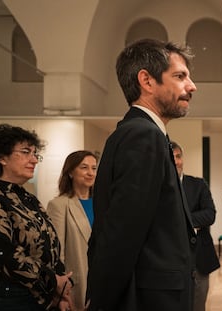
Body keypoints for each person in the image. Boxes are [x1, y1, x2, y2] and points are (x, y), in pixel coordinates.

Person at [85, 38, 198, 311]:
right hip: (151, 298)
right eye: (180, 76)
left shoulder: (145, 133)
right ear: (147, 81)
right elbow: (122, 232)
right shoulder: (142, 134)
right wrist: (101, 301)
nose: (192, 86)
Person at [0, 123, 74, 311]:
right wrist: (53, 281)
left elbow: (51, 242)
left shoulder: (27, 197)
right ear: (2, 157)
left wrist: (61, 288)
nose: (34, 160)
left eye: (35, 154)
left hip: (42, 295)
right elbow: (5, 254)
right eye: (25, 152)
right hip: (12, 297)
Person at [171, 141, 220, 311]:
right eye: (171, 157)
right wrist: (192, 223)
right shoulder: (158, 187)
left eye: (178, 156)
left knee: (198, 304)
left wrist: (179, 220)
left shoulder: (198, 184)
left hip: (199, 258)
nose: (176, 161)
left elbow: (209, 214)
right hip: (170, 260)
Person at [47, 151, 97, 311]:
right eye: (84, 167)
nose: (90, 173)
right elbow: (56, 252)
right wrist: (62, 292)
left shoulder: (103, 203)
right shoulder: (59, 205)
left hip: (104, 281)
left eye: (94, 168)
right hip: (77, 284)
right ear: (70, 172)